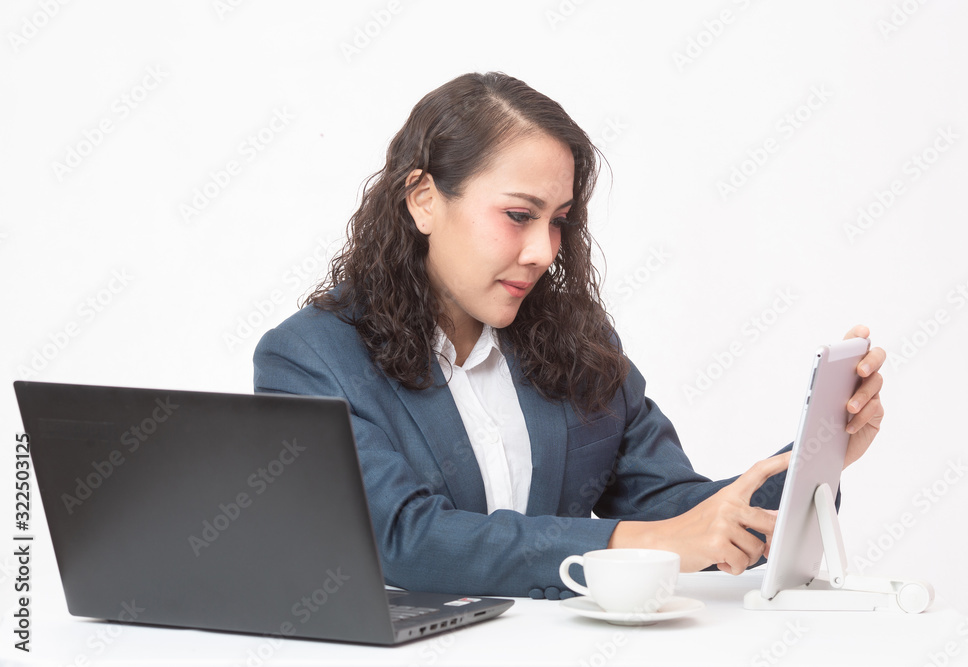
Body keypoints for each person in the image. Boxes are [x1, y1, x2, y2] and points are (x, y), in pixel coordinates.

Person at [252, 71, 885, 599]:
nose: (541, 251)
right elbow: (406, 543)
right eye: (518, 215)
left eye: (559, 222)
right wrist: (651, 544)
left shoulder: (575, 342)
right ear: (422, 199)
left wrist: (813, 460)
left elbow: (674, 507)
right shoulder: (309, 359)